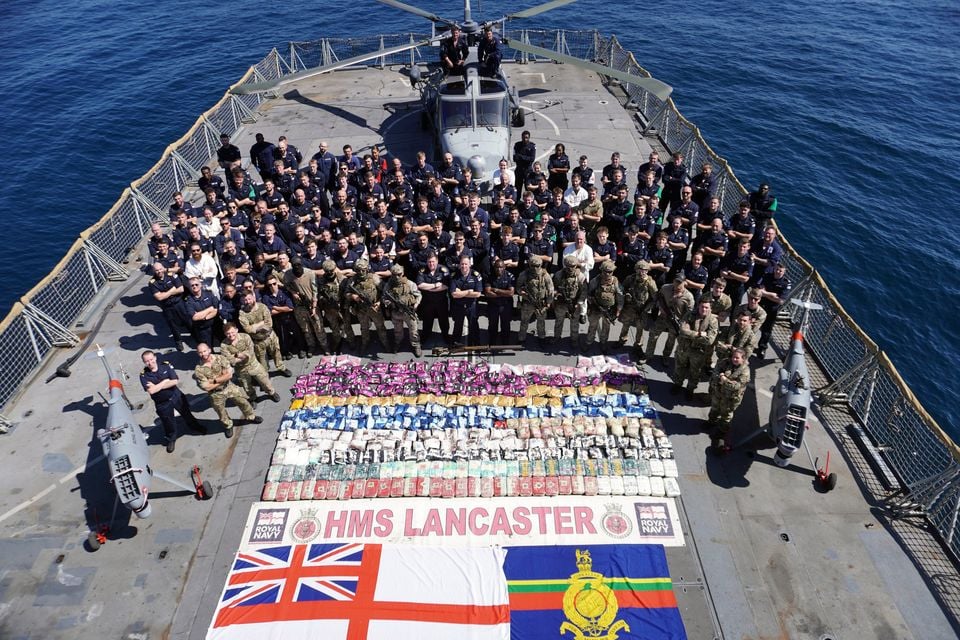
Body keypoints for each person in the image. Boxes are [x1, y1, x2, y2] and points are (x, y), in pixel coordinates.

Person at [140, 350, 205, 453]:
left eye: (151, 359)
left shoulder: (165, 366)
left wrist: (158, 386)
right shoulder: (144, 375)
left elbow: (174, 381)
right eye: (147, 361)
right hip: (162, 402)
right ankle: (171, 438)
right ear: (144, 362)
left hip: (176, 396)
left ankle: (195, 427)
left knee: (186, 413)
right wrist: (165, 381)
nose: (150, 362)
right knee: (168, 422)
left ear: (155, 358)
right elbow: (151, 391)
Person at [193, 342, 261, 439]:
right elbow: (206, 387)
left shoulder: (220, 358)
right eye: (200, 352)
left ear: (209, 350)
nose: (203, 354)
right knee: (221, 412)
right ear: (197, 353)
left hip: (229, 387)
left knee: (243, 402)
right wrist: (222, 378)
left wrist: (214, 380)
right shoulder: (198, 370)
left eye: (204, 351)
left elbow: (229, 375)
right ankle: (228, 425)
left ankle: (251, 416)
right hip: (215, 393)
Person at [220, 322, 281, 403]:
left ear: (236, 330)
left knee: (265, 381)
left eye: (232, 332)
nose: (231, 335)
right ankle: (253, 398)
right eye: (228, 333)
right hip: (241, 369)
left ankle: (272, 393)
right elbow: (229, 360)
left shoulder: (245, 337)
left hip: (253, 364)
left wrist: (237, 356)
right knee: (247, 387)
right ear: (225, 334)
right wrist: (241, 356)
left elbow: (251, 351)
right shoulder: (223, 345)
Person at [671, 299, 719, 399]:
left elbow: (710, 340)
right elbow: (683, 330)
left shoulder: (713, 321)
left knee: (695, 371)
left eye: (706, 307)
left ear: (710, 309)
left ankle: (690, 389)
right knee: (680, 366)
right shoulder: (689, 315)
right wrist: (699, 334)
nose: (704, 309)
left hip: (699, 351)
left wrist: (690, 333)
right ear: (698, 306)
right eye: (702, 307)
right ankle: (677, 384)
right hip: (684, 347)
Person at [342, 258, 389, 353]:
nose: (361, 272)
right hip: (361, 309)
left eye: (363, 270)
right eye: (358, 270)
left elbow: (385, 291)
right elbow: (346, 293)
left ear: (367, 269)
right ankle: (365, 342)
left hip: (374, 308)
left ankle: (385, 342)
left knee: (380, 327)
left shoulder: (374, 278)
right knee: (364, 328)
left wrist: (379, 302)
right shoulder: (352, 280)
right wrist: (352, 296)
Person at [708, 348, 751, 453]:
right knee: (714, 407)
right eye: (733, 357)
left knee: (726, 414)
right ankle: (711, 422)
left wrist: (724, 379)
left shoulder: (745, 371)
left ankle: (721, 431)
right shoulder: (726, 362)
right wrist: (721, 376)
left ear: (743, 359)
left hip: (730, 398)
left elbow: (736, 386)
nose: (734, 359)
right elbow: (716, 370)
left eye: (737, 358)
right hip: (719, 392)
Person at [238, 292, 291, 376]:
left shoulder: (262, 307)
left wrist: (254, 326)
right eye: (245, 300)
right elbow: (248, 329)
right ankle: (265, 374)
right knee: (262, 359)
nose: (248, 301)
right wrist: (261, 323)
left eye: (249, 299)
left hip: (270, 336)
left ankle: (281, 367)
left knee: (276, 353)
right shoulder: (242, 313)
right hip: (258, 341)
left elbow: (269, 323)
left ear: (254, 298)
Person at [283, 258, 329, 356]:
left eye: (299, 265)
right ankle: (311, 346)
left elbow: (315, 290)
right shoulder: (288, 275)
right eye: (295, 266)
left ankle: (324, 346)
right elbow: (286, 285)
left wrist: (314, 306)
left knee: (318, 327)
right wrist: (293, 293)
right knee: (306, 329)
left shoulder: (310, 273)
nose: (297, 268)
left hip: (312, 304)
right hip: (299, 307)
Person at [644, 276, 695, 363]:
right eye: (675, 285)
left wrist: (683, 322)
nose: (677, 287)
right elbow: (658, 297)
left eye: (680, 286)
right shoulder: (665, 288)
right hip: (662, 318)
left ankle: (665, 357)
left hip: (675, 321)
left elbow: (689, 313)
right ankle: (648, 355)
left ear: (685, 283)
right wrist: (660, 307)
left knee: (671, 340)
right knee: (653, 335)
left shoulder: (688, 296)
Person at [617, 260, 658, 356]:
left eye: (644, 270)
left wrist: (647, 308)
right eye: (640, 269)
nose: (642, 272)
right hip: (630, 307)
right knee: (625, 324)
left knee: (640, 328)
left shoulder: (650, 283)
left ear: (647, 271)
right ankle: (622, 340)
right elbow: (622, 289)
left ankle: (638, 346)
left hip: (642, 309)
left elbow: (655, 298)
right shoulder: (630, 279)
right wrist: (626, 295)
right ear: (636, 269)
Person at [516, 255, 554, 347]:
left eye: (537, 266)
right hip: (527, 303)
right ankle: (521, 338)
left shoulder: (545, 275)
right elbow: (518, 287)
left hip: (541, 302)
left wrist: (548, 302)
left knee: (541, 321)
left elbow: (550, 289)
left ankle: (541, 338)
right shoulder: (524, 274)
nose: (535, 268)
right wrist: (522, 293)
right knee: (524, 321)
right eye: (533, 266)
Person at [585, 261, 623, 353]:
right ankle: (589, 342)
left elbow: (620, 296)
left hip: (609, 309)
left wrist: (618, 310)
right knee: (592, 326)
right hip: (595, 308)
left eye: (609, 272)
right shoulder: (596, 280)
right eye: (605, 272)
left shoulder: (615, 281)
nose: (607, 274)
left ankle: (603, 342)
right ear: (601, 271)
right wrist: (591, 303)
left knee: (606, 327)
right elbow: (589, 292)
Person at [756, 261, 792, 356]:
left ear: (784, 272)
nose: (778, 272)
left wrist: (765, 293)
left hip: (772, 308)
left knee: (767, 330)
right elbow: (760, 290)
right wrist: (772, 295)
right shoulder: (767, 276)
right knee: (753, 323)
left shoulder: (786, 284)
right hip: (760, 304)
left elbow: (780, 301)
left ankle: (762, 348)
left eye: (780, 271)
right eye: (776, 269)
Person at [552, 253, 588, 348]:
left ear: (576, 266)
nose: (570, 269)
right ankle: (557, 337)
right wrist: (556, 293)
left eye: (573, 266)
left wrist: (579, 303)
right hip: (561, 303)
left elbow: (584, 292)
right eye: (568, 267)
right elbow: (553, 287)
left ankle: (574, 339)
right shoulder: (559, 275)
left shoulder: (580, 277)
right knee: (559, 321)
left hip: (574, 303)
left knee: (574, 323)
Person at [149, 262, 187, 352]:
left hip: (179, 303)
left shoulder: (171, 275)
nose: (159, 271)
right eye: (156, 270)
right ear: (154, 271)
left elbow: (181, 289)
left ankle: (195, 336)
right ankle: (178, 341)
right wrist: (173, 290)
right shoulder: (152, 283)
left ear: (163, 268)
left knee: (188, 320)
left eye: (160, 269)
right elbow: (159, 297)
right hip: (167, 307)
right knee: (173, 326)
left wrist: (165, 293)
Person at [316, 259, 350, 352]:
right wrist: (324, 300)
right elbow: (318, 294)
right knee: (334, 327)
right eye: (327, 271)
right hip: (329, 309)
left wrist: (344, 304)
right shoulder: (321, 281)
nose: (330, 273)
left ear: (335, 269)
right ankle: (337, 343)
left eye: (331, 271)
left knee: (347, 326)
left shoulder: (342, 279)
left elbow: (347, 293)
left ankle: (351, 342)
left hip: (341, 307)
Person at [417, 253, 451, 346]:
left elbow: (446, 286)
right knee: (427, 321)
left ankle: (445, 336)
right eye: (429, 262)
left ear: (437, 261)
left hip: (441, 301)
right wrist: (435, 286)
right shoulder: (422, 270)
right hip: (428, 302)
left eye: (433, 262)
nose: (431, 264)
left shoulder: (443, 270)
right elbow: (420, 285)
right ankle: (425, 336)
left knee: (443, 321)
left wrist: (428, 288)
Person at [449, 254, 482, 345]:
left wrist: (461, 293)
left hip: (471, 305)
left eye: (466, 264)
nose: (464, 266)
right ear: (459, 265)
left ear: (470, 265)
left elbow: (478, 294)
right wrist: (468, 292)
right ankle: (456, 344)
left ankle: (475, 343)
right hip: (458, 306)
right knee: (457, 326)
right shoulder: (454, 276)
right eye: (462, 264)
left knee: (473, 325)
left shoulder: (476, 275)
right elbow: (454, 294)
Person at [484, 258, 515, 345]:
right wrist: (503, 294)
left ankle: (505, 340)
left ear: (504, 267)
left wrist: (496, 290)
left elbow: (511, 293)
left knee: (505, 324)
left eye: (501, 267)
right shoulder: (489, 276)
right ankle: (492, 340)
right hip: (493, 305)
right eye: (497, 267)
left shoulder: (510, 276)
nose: (499, 269)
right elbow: (487, 293)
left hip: (506, 305)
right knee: (493, 324)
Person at [183, 277, 218, 348]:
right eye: (192, 285)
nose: (194, 286)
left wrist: (203, 316)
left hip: (215, 325)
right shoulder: (188, 301)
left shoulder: (209, 294)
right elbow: (195, 317)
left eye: (196, 284)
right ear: (189, 287)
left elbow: (216, 309)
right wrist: (209, 309)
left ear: (201, 285)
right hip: (202, 329)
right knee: (208, 348)